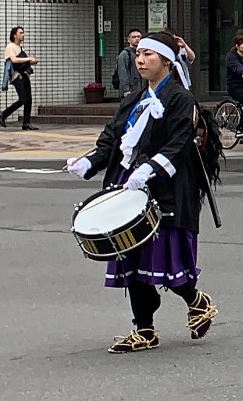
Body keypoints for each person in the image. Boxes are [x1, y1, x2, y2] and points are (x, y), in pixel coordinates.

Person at [63, 31, 219, 353]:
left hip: (168, 187)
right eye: (139, 54)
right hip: (128, 185)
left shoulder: (180, 98)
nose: (140, 59)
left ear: (166, 60)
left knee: (167, 260)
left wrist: (150, 169)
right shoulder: (133, 99)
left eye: (148, 54)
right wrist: (89, 162)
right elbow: (112, 139)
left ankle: (196, 300)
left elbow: (178, 144)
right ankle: (144, 329)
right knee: (130, 255)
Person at [0, 26, 39, 130]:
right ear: (14, 35)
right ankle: (3, 114)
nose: (23, 35)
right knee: (23, 99)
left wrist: (31, 62)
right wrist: (29, 58)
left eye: (23, 33)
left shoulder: (20, 48)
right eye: (20, 33)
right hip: (17, 76)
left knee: (29, 100)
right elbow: (14, 60)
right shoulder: (10, 47)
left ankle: (26, 123)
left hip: (24, 75)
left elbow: (22, 62)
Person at [111, 28, 144, 97]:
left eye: (139, 37)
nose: (137, 39)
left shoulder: (143, 53)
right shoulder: (124, 54)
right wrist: (126, 89)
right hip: (131, 91)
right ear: (128, 40)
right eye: (134, 37)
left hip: (142, 89)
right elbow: (123, 73)